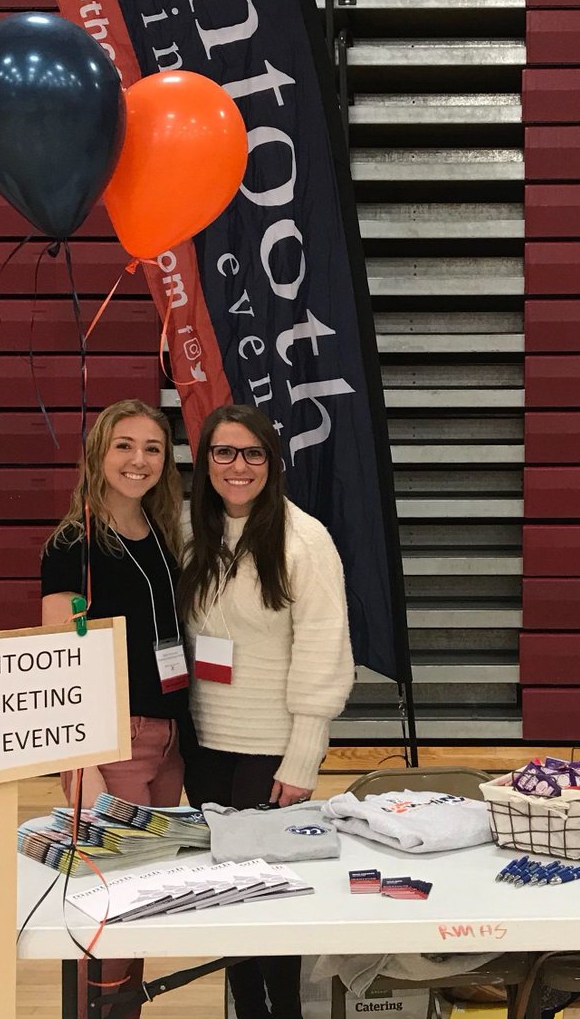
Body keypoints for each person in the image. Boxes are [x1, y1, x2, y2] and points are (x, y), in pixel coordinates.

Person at [178, 403, 354, 1019]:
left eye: (252, 453)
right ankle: (245, 1009)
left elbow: (324, 652)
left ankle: (284, 1013)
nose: (237, 465)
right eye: (224, 452)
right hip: (203, 745)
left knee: (268, 898)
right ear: (205, 462)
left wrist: (304, 753)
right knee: (224, 893)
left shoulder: (305, 540)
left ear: (272, 464)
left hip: (271, 750)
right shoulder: (188, 529)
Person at [41, 398, 187, 1019]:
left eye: (152, 448)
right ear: (99, 452)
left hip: (169, 736)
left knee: (143, 892)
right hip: (115, 738)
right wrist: (83, 763)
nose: (138, 460)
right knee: (106, 899)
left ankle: (124, 1007)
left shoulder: (159, 531)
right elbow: (59, 661)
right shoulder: (74, 544)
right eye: (124, 445)